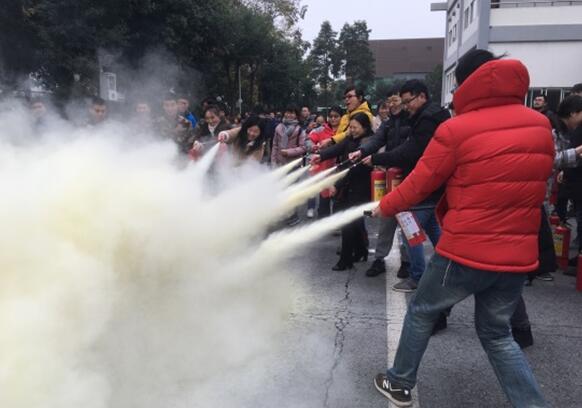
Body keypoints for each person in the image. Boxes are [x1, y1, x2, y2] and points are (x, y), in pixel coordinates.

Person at [372, 49, 553, 408]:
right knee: (497, 334)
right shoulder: (539, 125)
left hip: (465, 251)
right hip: (516, 255)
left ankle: (399, 381)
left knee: (422, 310)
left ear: (468, 83)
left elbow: (420, 182)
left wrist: (385, 206)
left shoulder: (457, 129)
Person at [351, 80, 450, 293]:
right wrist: (366, 152)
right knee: (433, 228)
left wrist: (377, 158)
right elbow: (381, 141)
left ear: (422, 96)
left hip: (421, 186)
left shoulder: (425, 120)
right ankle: (449, 269)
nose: (405, 106)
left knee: (409, 231)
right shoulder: (429, 116)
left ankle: (417, 276)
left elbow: (410, 152)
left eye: (406, 101)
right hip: (431, 185)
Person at [354, 93, 412, 278]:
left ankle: (407, 261)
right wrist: (362, 151)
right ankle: (379, 259)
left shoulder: (413, 121)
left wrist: (378, 158)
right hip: (390, 176)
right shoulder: (387, 124)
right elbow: (376, 140)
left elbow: (407, 150)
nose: (392, 104)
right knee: (386, 218)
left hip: (409, 178)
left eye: (396, 100)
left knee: (407, 222)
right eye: (389, 102)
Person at [312, 112, 373, 270]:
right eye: (350, 127)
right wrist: (320, 156)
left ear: (365, 128)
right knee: (355, 221)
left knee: (347, 223)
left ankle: (346, 260)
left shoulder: (368, 142)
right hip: (348, 187)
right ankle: (361, 251)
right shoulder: (350, 139)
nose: (352, 130)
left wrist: (336, 185)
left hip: (360, 189)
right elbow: (336, 149)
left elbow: (352, 169)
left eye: (355, 127)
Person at [272, 106, 306, 226]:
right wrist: (273, 161)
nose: (289, 115)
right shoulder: (278, 128)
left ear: (296, 115)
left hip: (293, 165)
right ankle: (283, 213)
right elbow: (275, 145)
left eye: (292, 113)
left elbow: (303, 148)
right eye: (287, 112)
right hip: (280, 164)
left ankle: (293, 216)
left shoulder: (299, 130)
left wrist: (289, 152)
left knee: (292, 191)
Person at [309, 106, 344, 218]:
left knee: (338, 199)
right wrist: (313, 147)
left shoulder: (345, 131)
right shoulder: (320, 129)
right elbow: (308, 140)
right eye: (331, 116)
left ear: (342, 117)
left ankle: (336, 222)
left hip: (339, 170)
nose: (333, 119)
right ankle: (323, 219)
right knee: (324, 199)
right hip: (324, 171)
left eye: (336, 116)